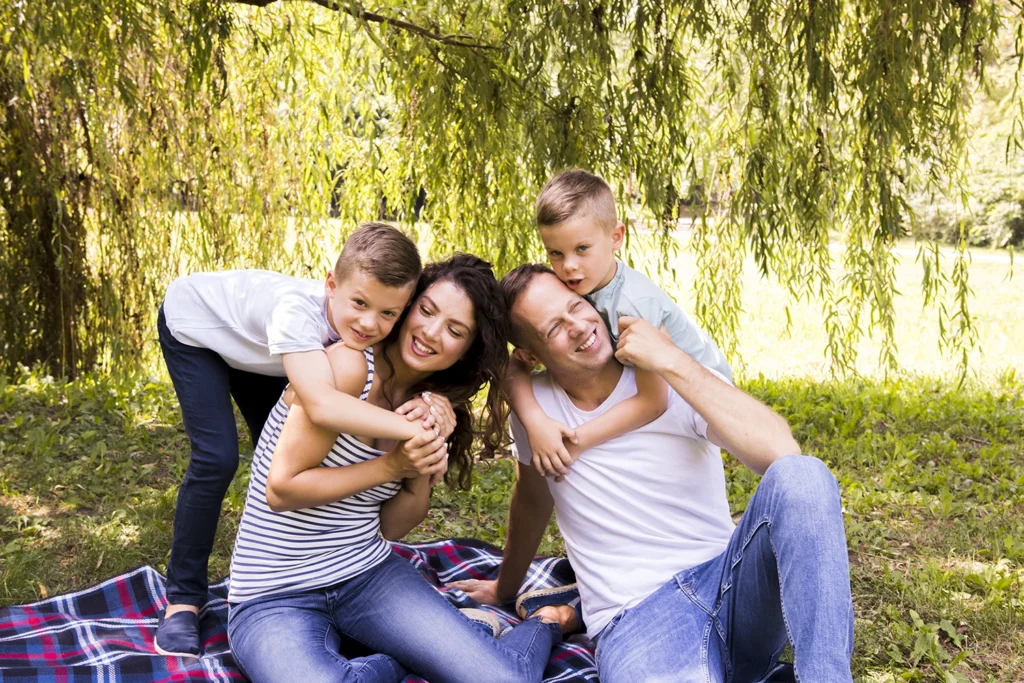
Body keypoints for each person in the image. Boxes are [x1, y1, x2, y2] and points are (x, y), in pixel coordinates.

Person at [453, 265, 855, 682]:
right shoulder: (536, 409)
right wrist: (505, 586)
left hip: (730, 584)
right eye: (554, 327)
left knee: (804, 476)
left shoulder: (667, 377)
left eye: (575, 306)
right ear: (531, 354)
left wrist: (671, 359)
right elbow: (533, 499)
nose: (578, 326)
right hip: (638, 618)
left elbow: (782, 453)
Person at [227, 255, 579, 683]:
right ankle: (425, 650)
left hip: (366, 575)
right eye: (427, 311)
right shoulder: (348, 367)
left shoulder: (429, 404)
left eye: (455, 331)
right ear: (408, 306)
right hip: (273, 593)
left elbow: (392, 528)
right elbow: (282, 490)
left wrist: (418, 468)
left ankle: (548, 619)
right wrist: (392, 464)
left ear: (467, 351)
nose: (431, 333)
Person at [155, 222, 431, 656]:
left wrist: (437, 403)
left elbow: (406, 368)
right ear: (331, 285)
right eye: (359, 303)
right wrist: (412, 429)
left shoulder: (364, 319)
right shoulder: (295, 314)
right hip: (197, 331)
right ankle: (183, 600)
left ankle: (294, 574)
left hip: (260, 354)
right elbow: (320, 404)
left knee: (286, 456)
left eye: (387, 314)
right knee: (217, 457)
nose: (369, 323)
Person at [507, 169, 733, 479]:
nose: (569, 265)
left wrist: (576, 442)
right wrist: (535, 421)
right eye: (556, 253)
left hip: (711, 402)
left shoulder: (632, 307)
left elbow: (653, 402)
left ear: (616, 237)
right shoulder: (586, 284)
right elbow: (514, 366)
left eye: (582, 249)